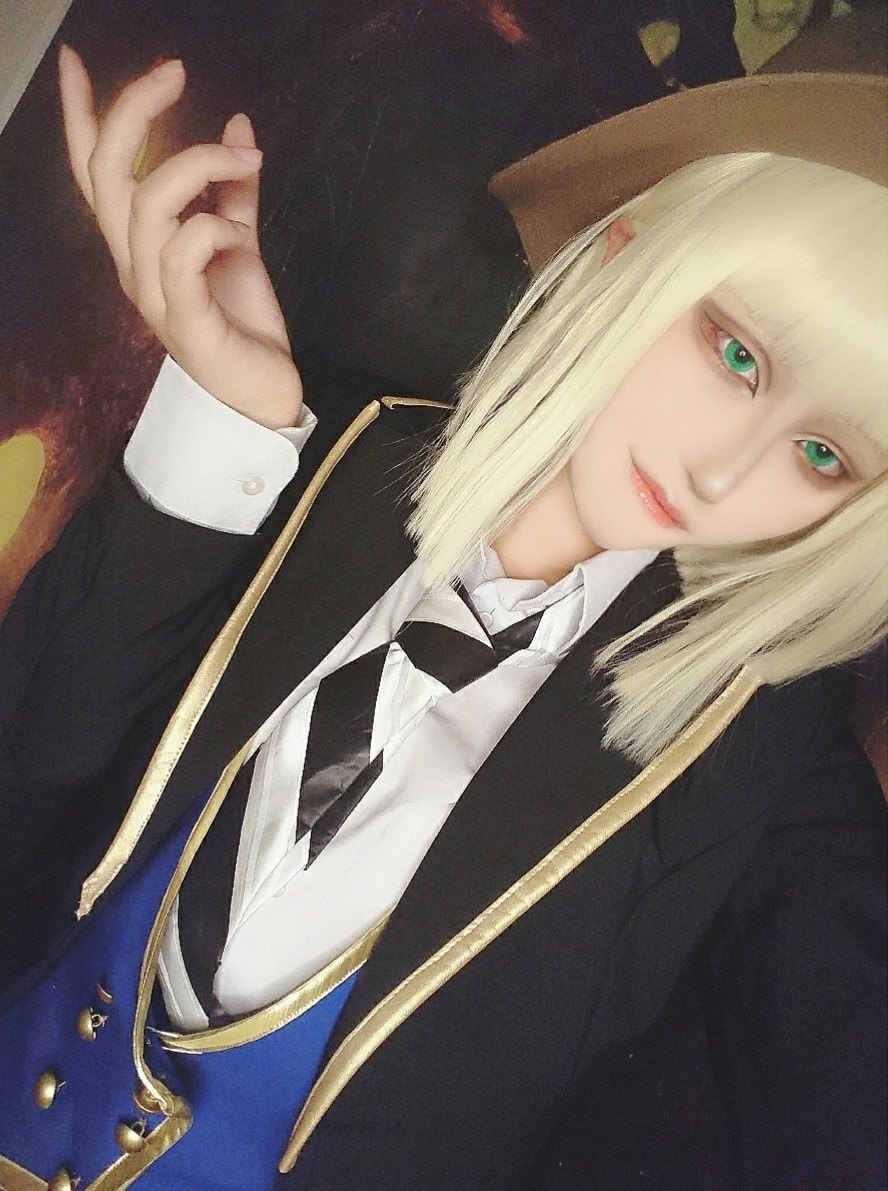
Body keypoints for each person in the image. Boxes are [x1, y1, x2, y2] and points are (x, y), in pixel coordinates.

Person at [0, 29, 885, 1191]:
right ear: (627, 255)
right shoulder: (320, 455)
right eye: (736, 355)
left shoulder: (759, 766)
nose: (722, 476)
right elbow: (31, 762)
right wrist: (218, 431)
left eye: (824, 455)